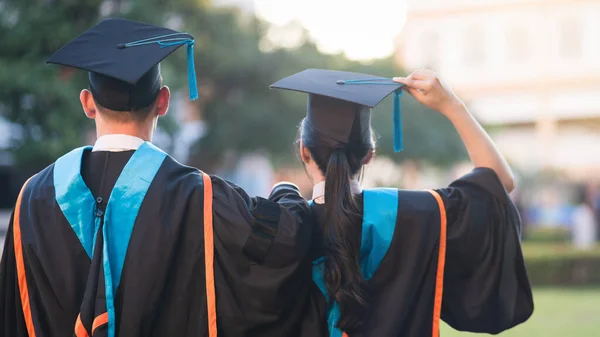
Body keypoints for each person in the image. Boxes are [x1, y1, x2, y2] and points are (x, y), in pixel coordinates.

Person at [0, 18, 317, 337]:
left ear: (87, 103)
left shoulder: (32, 199)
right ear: (163, 101)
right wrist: (286, 190)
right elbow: (286, 241)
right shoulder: (199, 197)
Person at [270, 69, 534, 337]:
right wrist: (452, 106)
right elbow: (498, 183)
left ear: (304, 150)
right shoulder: (419, 213)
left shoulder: (274, 229)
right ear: (369, 155)